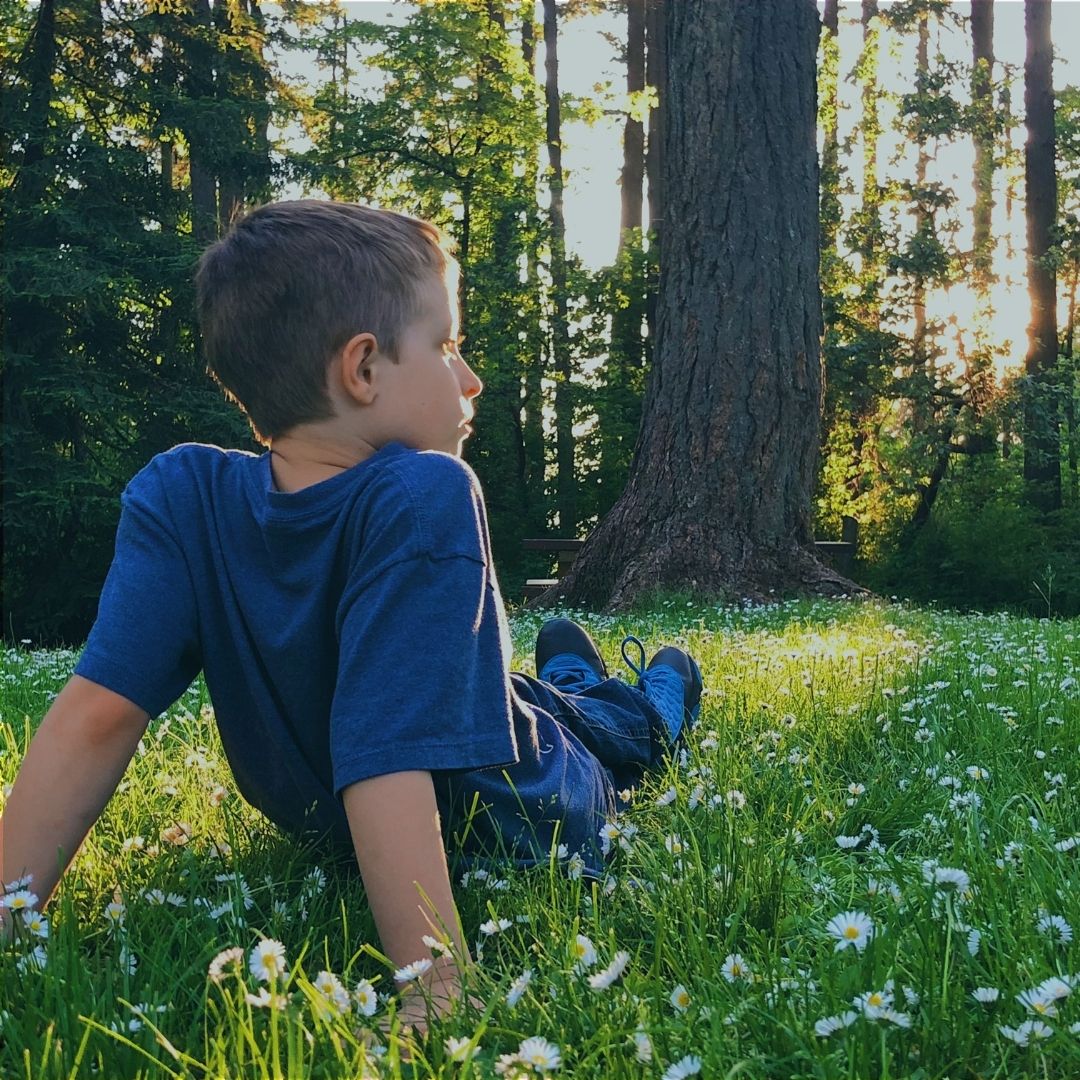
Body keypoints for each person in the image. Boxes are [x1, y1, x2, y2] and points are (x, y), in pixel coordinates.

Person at [0, 200, 702, 1030]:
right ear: (362, 369)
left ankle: (634, 692)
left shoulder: (180, 495)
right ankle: (624, 694)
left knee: (586, 725)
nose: (470, 378)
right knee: (584, 727)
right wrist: (436, 982)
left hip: (513, 763)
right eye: (445, 346)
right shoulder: (421, 490)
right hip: (521, 815)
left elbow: (94, 715)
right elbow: (381, 758)